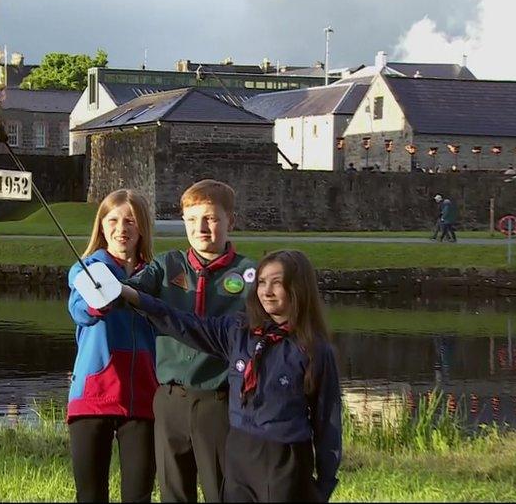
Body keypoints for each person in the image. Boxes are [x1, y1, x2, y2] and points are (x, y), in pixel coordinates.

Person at [117, 250, 342, 502]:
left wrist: (324, 483)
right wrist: (135, 297)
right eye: (262, 282)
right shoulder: (239, 332)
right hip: (239, 455)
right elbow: (185, 324)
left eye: (277, 283)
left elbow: (328, 420)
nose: (266, 291)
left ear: (298, 288)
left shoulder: (314, 349)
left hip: (284, 460)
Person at [126, 179, 256, 502]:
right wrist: (104, 288)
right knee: (173, 491)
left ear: (230, 221)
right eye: (192, 219)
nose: (201, 228)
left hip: (219, 400)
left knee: (221, 489)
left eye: (211, 218)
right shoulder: (167, 265)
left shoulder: (249, 273)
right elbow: (131, 289)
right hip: (171, 399)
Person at [67, 189, 158, 502]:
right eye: (114, 220)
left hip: (143, 398)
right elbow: (79, 309)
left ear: (142, 227)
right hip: (94, 395)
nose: (122, 228)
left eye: (131, 220)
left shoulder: (156, 276)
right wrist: (101, 300)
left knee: (138, 495)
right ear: (102, 226)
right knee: (91, 496)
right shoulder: (86, 269)